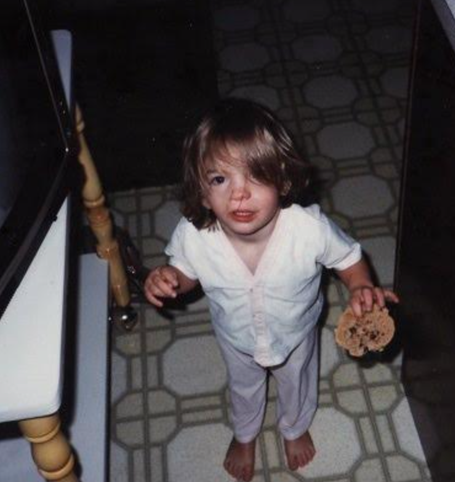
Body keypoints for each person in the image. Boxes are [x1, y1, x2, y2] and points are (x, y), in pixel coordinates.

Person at [144, 98, 398, 481]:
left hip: (295, 332)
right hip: (236, 336)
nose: (238, 194)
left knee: (297, 382)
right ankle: (245, 432)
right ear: (200, 188)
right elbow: (186, 272)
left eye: (255, 177)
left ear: (282, 179)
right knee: (244, 385)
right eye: (219, 179)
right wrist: (171, 279)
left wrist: (361, 284)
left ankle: (294, 427)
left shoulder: (308, 229)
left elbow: (347, 258)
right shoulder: (194, 236)